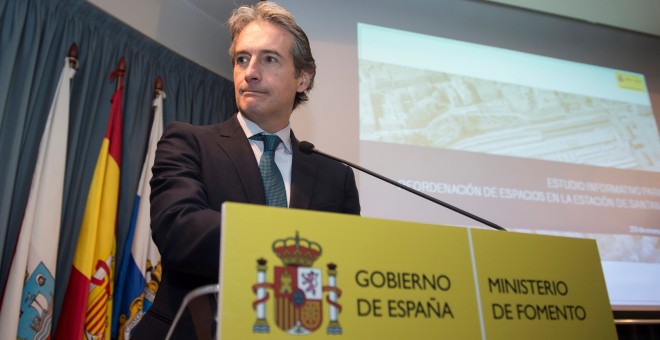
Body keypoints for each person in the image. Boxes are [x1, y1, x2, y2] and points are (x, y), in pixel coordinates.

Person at [131, 2, 360, 338]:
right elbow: (180, 230)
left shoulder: (335, 177)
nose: (250, 71)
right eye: (242, 59)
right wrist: (291, 243)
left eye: (269, 59)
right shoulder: (188, 142)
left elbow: (344, 267)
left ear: (303, 78)